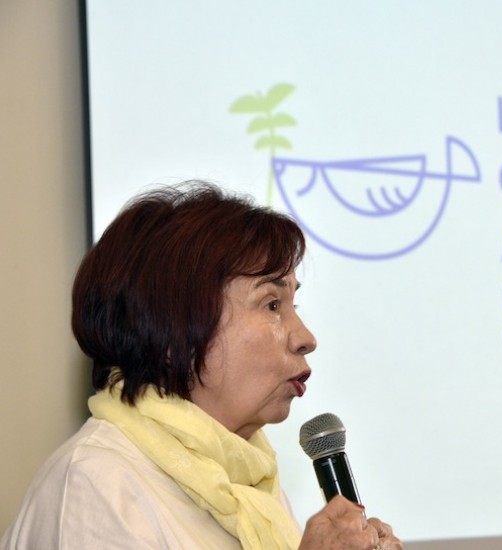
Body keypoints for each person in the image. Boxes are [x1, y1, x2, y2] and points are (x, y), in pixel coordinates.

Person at [1, 182, 402, 550]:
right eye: (272, 305)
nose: (306, 337)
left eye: (293, 304)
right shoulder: (98, 484)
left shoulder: (247, 485)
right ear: (176, 332)